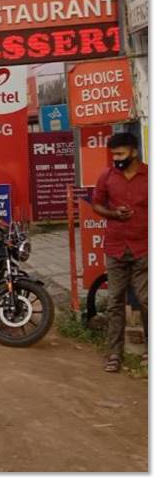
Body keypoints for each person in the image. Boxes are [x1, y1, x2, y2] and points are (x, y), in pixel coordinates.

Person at [92, 132, 148, 373]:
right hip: (115, 248)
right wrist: (113, 214)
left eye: (121, 154)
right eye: (113, 154)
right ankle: (114, 353)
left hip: (145, 247)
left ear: (134, 152)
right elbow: (96, 204)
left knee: (147, 300)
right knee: (115, 301)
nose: (116, 158)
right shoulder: (107, 176)